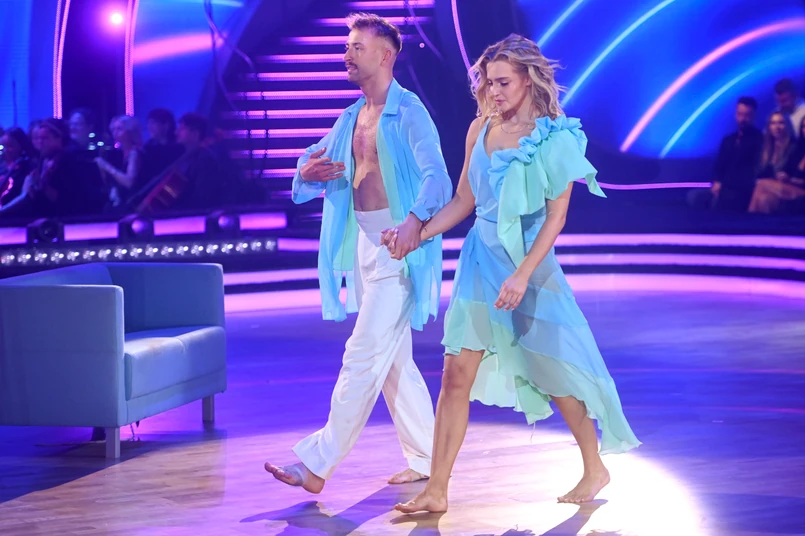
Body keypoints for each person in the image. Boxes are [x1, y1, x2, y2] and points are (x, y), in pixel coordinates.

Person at [386, 34, 640, 513]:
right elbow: (464, 200)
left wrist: (522, 275)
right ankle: (437, 489)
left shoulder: (555, 138)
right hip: (479, 263)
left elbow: (556, 217)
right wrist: (418, 234)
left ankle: (594, 466)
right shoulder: (479, 128)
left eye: (503, 82)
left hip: (529, 267)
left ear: (529, 79)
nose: (494, 91)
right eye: (488, 82)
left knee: (553, 372)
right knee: (455, 374)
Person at [264, 12, 452, 494]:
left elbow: (438, 177)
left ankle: (317, 464)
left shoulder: (409, 112)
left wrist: (414, 221)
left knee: (363, 354)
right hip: (364, 247)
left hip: (399, 250)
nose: (346, 54)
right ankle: (426, 457)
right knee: (393, 363)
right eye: (346, 47)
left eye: (356, 47)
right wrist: (307, 172)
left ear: (386, 55)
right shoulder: (351, 116)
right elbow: (309, 165)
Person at [709, 96, 763, 211]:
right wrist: (717, 182)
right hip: (723, 187)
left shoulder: (760, 140)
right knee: (695, 197)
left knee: (725, 200)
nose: (742, 119)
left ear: (754, 116)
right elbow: (719, 165)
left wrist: (724, 185)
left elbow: (753, 170)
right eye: (740, 114)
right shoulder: (728, 140)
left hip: (742, 189)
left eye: (747, 115)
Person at [748, 111, 804, 214]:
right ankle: (758, 223)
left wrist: (788, 178)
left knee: (762, 184)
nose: (777, 127)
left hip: (791, 189)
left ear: (787, 125)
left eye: (781, 123)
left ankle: (748, 219)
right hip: (774, 189)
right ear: (769, 127)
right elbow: (758, 172)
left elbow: (795, 175)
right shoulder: (766, 149)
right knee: (764, 198)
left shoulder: (794, 148)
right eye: (773, 123)